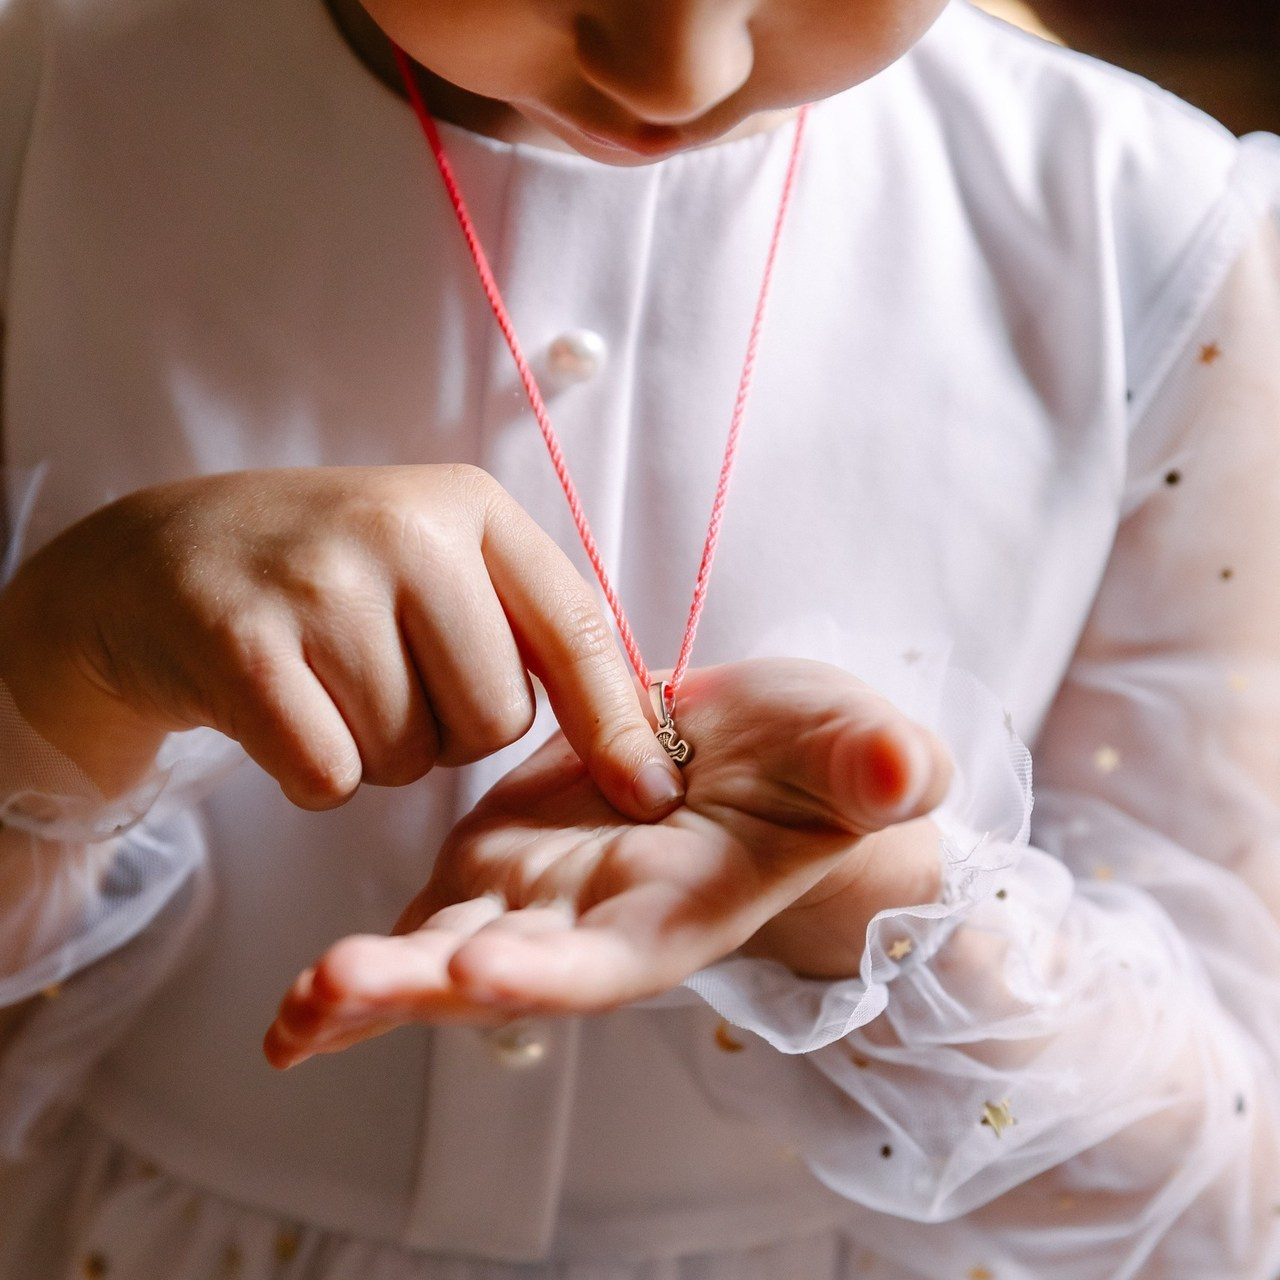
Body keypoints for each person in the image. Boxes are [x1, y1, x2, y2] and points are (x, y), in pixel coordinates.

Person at [0, 0, 1277, 1275]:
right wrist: (64, 662)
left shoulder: (1149, 240)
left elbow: (1222, 1172)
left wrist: (869, 903)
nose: (678, 73)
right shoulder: (41, 117)